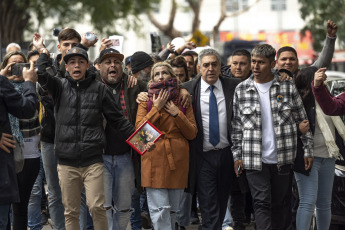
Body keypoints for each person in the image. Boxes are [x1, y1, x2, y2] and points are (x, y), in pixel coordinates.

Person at [35, 46, 136, 230]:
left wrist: (142, 141)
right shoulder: (58, 86)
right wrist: (43, 53)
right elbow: (40, 74)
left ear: (87, 65)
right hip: (66, 163)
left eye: (81, 62)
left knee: (97, 207)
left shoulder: (99, 89)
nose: (76, 66)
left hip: (93, 162)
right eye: (72, 62)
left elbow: (118, 120)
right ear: (66, 67)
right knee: (71, 211)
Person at [231, 44, 313, 230]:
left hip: (282, 158)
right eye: (253, 62)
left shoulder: (286, 87)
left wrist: (307, 149)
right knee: (261, 203)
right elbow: (236, 127)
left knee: (280, 205)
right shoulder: (242, 89)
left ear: (273, 64)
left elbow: (303, 120)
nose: (255, 67)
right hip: (253, 159)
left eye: (261, 63)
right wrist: (237, 155)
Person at [33, 31, 91, 230]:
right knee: (55, 193)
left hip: (77, 140)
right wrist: (41, 51)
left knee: (79, 193)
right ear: (59, 47)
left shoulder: (86, 72)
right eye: (66, 44)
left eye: (75, 44)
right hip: (50, 139)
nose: (70, 47)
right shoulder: (50, 69)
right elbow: (45, 89)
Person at [183, 48, 241, 230]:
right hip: (202, 156)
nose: (210, 69)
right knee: (208, 205)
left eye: (214, 64)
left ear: (221, 67)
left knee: (223, 201)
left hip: (227, 155)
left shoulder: (234, 86)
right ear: (199, 67)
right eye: (206, 65)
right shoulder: (188, 89)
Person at [135, 62, 197, 230]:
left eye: (164, 73)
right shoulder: (145, 99)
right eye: (156, 74)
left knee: (173, 212)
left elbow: (192, 133)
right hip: (153, 158)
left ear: (172, 76)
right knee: (159, 210)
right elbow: (139, 135)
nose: (161, 76)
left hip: (177, 161)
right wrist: (156, 108)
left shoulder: (183, 99)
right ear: (152, 78)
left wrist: (177, 114)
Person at [97, 47, 147, 230]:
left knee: (125, 206)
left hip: (127, 156)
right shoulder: (91, 84)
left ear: (122, 66)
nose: (113, 65)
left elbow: (161, 89)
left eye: (116, 62)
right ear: (99, 66)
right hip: (99, 156)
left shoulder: (136, 85)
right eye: (108, 62)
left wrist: (142, 146)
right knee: (104, 206)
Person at [293, 66, 344, 229]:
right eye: (320, 80)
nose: (324, 83)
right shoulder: (300, 104)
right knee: (308, 202)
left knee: (324, 203)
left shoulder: (328, 101)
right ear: (310, 82)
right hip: (308, 159)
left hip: (328, 158)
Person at [0, 51, 41, 230]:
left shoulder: (31, 86)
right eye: (12, 64)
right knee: (4, 211)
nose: (17, 69)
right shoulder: (3, 84)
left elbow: (31, 111)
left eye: (21, 65)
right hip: (6, 152)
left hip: (28, 150)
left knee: (20, 206)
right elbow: (27, 108)